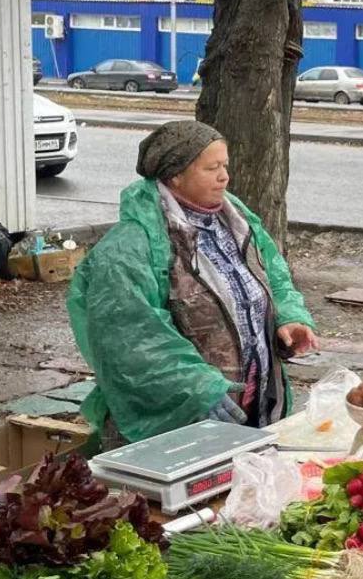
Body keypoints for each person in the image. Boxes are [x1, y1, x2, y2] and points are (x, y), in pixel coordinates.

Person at [67, 120, 317, 447]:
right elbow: (130, 339)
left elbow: (274, 275)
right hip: (177, 420)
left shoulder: (236, 219)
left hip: (255, 405)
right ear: (175, 176)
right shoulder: (129, 248)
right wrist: (197, 388)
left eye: (225, 165)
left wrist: (289, 316)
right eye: (211, 168)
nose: (224, 176)